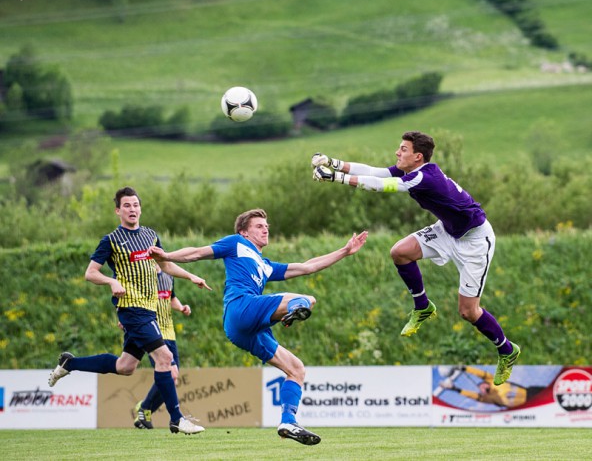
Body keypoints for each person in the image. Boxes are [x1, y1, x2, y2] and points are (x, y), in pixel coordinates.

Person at [311, 131, 520, 386]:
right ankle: (422, 306)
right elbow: (376, 172)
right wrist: (333, 163)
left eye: (403, 149)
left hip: (475, 241)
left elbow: (382, 186)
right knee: (399, 252)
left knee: (468, 311)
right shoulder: (414, 172)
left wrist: (336, 178)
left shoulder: (423, 177)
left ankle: (507, 350)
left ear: (417, 156)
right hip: (448, 230)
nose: (398, 153)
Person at [147, 208, 368, 446]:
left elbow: (307, 267)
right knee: (306, 300)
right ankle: (292, 313)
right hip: (241, 307)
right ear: (244, 232)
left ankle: (287, 421)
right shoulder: (236, 244)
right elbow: (197, 253)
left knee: (296, 369)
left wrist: (345, 251)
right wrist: (167, 256)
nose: (265, 229)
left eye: (267, 226)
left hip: (245, 330)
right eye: (259, 226)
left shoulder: (265, 265)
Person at [48, 186, 211, 435]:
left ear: (140, 208)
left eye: (135, 205)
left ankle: (70, 363)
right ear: (118, 210)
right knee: (165, 359)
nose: (132, 209)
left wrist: (191, 276)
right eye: (127, 205)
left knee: (126, 366)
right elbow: (90, 273)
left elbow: (165, 265)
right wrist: (111, 281)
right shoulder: (111, 240)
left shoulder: (150, 235)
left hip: (149, 310)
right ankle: (177, 419)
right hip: (131, 309)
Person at [131, 265, 192, 430]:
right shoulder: (143, 277)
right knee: (171, 374)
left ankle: (145, 408)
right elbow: (131, 299)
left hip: (170, 333)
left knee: (172, 378)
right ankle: (148, 410)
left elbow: (171, 298)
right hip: (153, 332)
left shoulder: (168, 275)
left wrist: (181, 307)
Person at [438, 365, 545, 409]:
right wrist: (455, 389)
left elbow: (480, 374)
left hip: (531, 392)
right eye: (480, 390)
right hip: (525, 407)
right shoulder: (488, 399)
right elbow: (473, 396)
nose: (482, 389)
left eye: (482, 386)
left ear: (485, 383)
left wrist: (465, 368)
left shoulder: (493, 381)